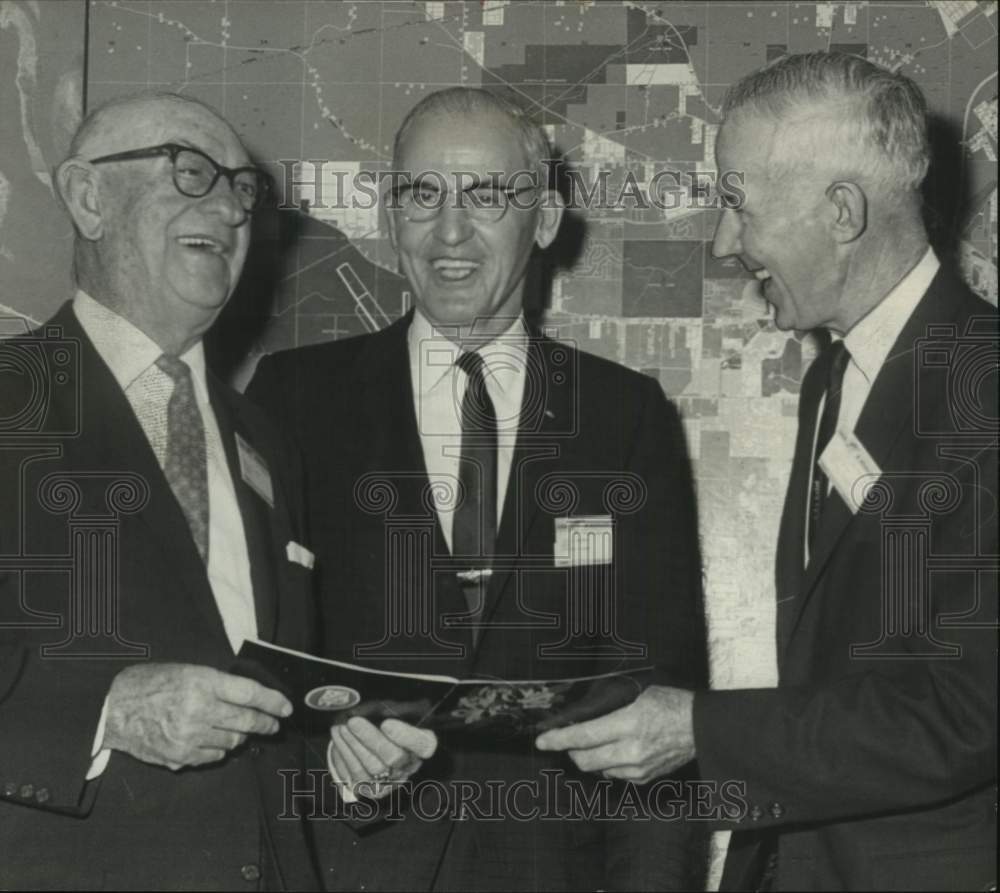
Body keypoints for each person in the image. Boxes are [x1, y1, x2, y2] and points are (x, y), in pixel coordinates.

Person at [536, 52, 998, 892]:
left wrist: (702, 730)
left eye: (739, 205)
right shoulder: (835, 376)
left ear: (843, 211)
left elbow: (968, 713)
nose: (723, 243)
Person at [248, 87, 708, 891]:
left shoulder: (623, 417)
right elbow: (254, 673)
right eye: (422, 194)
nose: (449, 229)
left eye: (488, 196)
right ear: (391, 217)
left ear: (548, 218)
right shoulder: (291, 399)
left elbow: (657, 698)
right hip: (348, 862)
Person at [0, 93, 320, 890]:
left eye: (243, 188)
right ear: (88, 196)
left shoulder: (267, 441)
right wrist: (106, 712)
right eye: (192, 172)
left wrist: (351, 752)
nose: (228, 206)